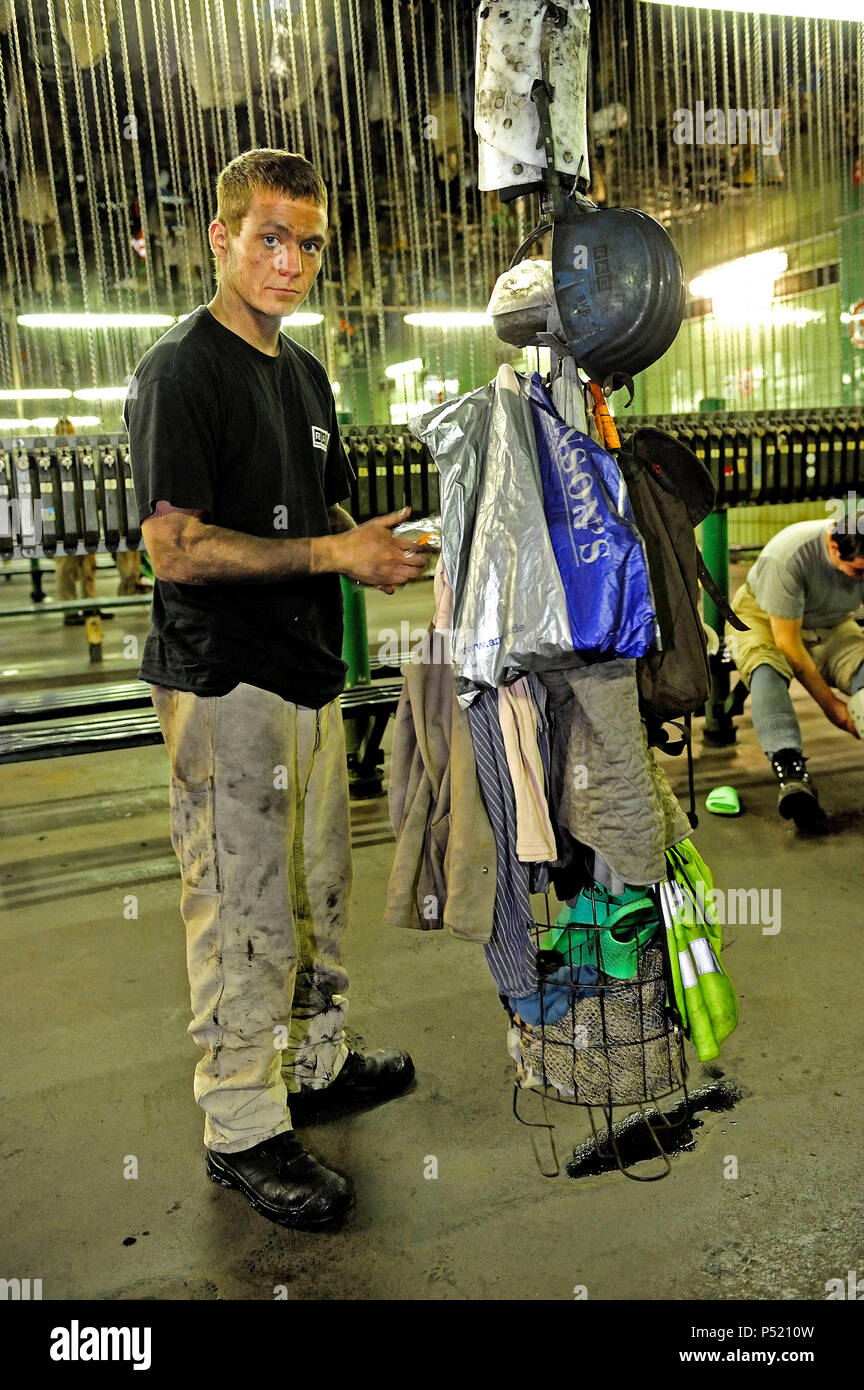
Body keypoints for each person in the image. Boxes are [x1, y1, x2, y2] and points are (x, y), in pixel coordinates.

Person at [124, 148, 427, 1231]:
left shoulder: (303, 374)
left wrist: (386, 547)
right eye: (269, 237)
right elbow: (176, 548)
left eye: (307, 242)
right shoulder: (181, 372)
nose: (291, 261)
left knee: (316, 888)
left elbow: (332, 522)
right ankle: (244, 1122)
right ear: (219, 237)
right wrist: (330, 562)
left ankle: (317, 1058)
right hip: (225, 678)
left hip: (304, 674)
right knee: (241, 904)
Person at [730, 509, 864, 826]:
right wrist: (832, 707)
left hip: (831, 623)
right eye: (859, 572)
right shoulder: (789, 554)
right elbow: (789, 645)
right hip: (763, 618)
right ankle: (792, 774)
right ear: (833, 547)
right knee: (766, 671)